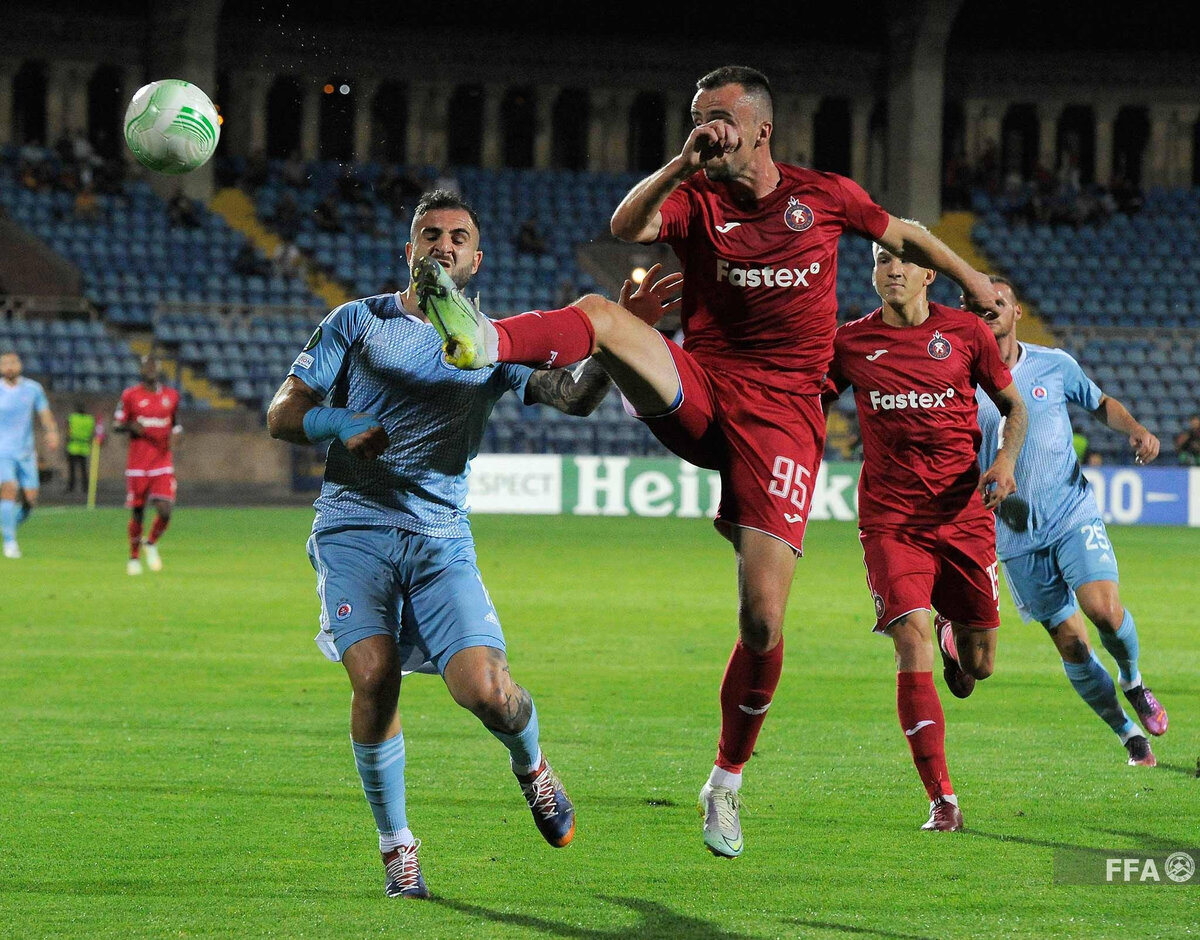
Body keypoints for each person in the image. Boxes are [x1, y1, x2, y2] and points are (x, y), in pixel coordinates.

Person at [418, 64, 1004, 857]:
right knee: (602, 315)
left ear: (763, 128)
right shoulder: (697, 199)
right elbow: (626, 226)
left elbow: (901, 231)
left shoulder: (824, 196)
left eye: (721, 118)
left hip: (785, 424)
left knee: (762, 619)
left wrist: (971, 279)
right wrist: (682, 161)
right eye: (698, 117)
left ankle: (725, 781)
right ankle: (485, 339)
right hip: (704, 388)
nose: (708, 129)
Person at [266, 190, 678, 899]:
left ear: (477, 259)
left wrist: (616, 341)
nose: (444, 245)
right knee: (374, 677)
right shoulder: (356, 322)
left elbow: (573, 397)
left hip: (439, 536)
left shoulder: (496, 341)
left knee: (487, 693)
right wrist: (337, 424)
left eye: (458, 236)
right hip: (353, 523)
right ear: (410, 250)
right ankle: (398, 846)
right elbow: (282, 414)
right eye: (431, 234)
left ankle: (534, 768)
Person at [823, 233, 1026, 831]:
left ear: (929, 275)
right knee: (905, 635)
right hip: (890, 520)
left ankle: (952, 636)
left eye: (903, 260)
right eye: (883, 260)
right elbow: (808, 405)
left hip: (963, 515)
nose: (893, 269)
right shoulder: (850, 343)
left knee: (979, 666)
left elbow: (1015, 407)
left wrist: (1005, 462)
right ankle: (942, 798)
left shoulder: (966, 336)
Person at [973, 276, 1167, 767]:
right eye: (979, 303)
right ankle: (1126, 733)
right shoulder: (958, 381)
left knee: (1104, 612)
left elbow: (1100, 404)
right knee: (1074, 646)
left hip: (1070, 512)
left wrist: (1137, 429)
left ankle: (1134, 681)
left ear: (1017, 311)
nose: (990, 308)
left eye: (999, 301)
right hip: (1015, 536)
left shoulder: (1053, 365)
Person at [114, 354, 180, 575]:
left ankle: (150, 542)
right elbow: (117, 423)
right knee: (138, 512)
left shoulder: (171, 396)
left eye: (154, 364)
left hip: (162, 461)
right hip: (138, 463)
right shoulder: (130, 395)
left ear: (160, 369)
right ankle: (133, 557)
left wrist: (177, 437)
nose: (150, 368)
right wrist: (131, 426)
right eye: (146, 365)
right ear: (141, 370)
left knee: (165, 510)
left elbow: (176, 425)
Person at [0, 350, 59, 558]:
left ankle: (8, 527)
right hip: (3, 451)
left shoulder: (33, 389)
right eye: (5, 362)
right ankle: (9, 543)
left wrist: (51, 432)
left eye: (13, 362)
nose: (9, 366)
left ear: (20, 365)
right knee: (8, 489)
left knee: (30, 500)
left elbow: (44, 413)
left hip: (26, 452)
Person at [65, 401, 98, 495]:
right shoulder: (89, 419)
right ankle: (86, 487)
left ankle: (71, 487)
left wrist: (66, 444)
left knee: (72, 469)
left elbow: (68, 431)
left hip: (73, 446)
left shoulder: (72, 418)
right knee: (83, 469)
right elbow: (92, 432)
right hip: (84, 446)